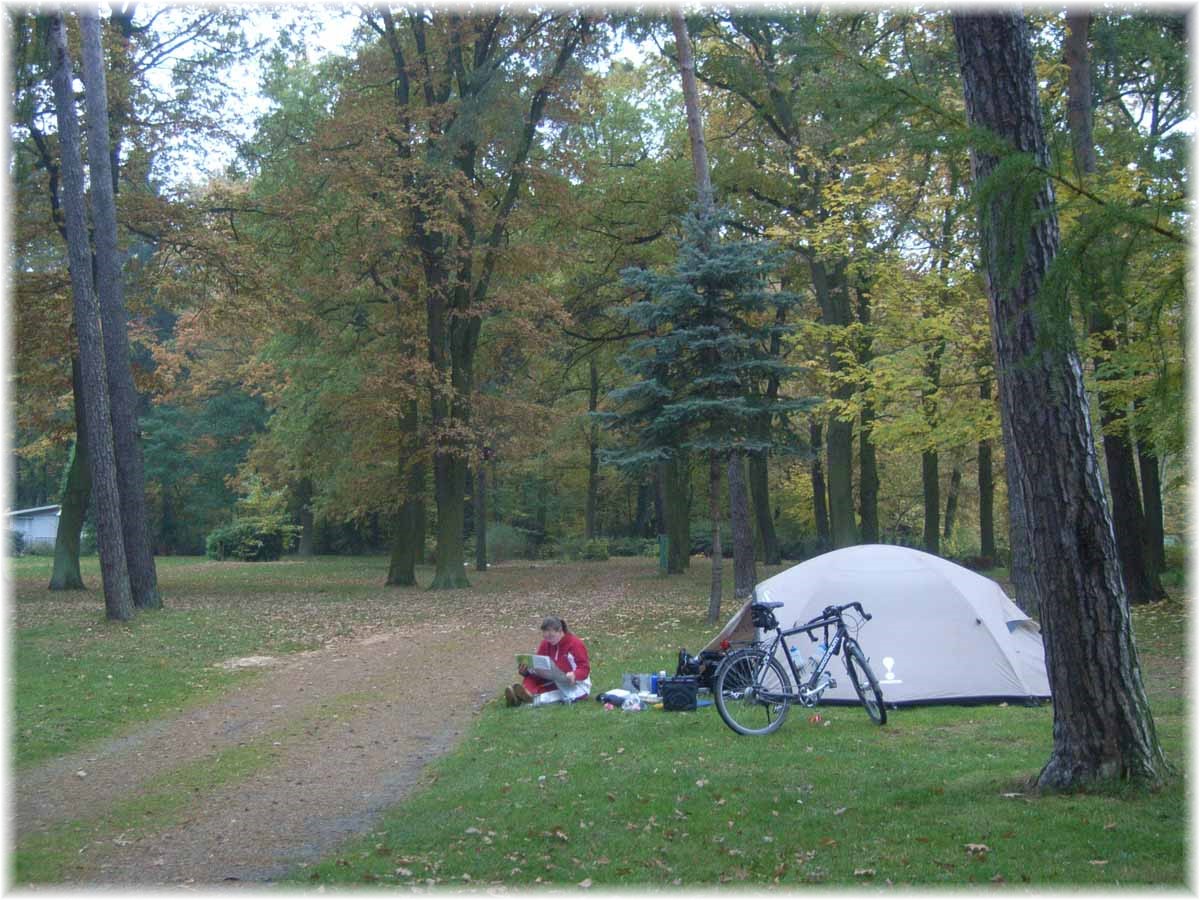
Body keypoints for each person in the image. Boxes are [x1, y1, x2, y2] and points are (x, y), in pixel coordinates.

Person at [506, 616, 591, 706]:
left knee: (552, 695)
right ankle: (524, 693)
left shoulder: (575, 644)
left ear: (560, 630)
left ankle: (524, 700)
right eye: (546, 637)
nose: (549, 640)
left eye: (551, 636)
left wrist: (574, 674)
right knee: (531, 678)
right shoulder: (545, 644)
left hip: (575, 684)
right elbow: (538, 665)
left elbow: (584, 668)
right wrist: (526, 671)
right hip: (553, 679)